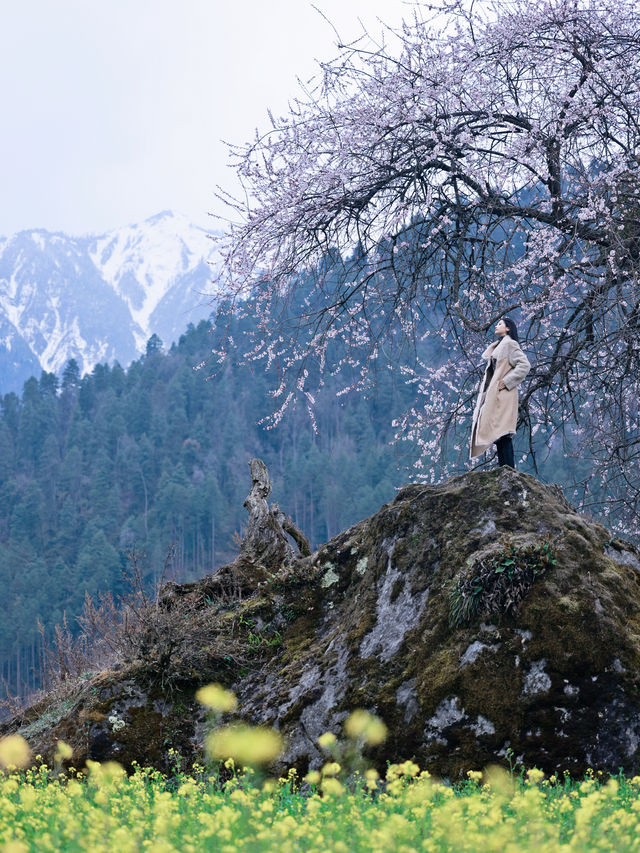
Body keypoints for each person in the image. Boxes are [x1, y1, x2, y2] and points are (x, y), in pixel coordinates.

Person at [470, 317, 530, 468]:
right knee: (498, 433)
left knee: (503, 432)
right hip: (496, 396)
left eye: (500, 324)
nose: (496, 326)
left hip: (504, 396)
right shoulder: (499, 346)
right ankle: (504, 469)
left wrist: (506, 382)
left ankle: (508, 470)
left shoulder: (510, 344)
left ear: (508, 328)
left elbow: (524, 365)